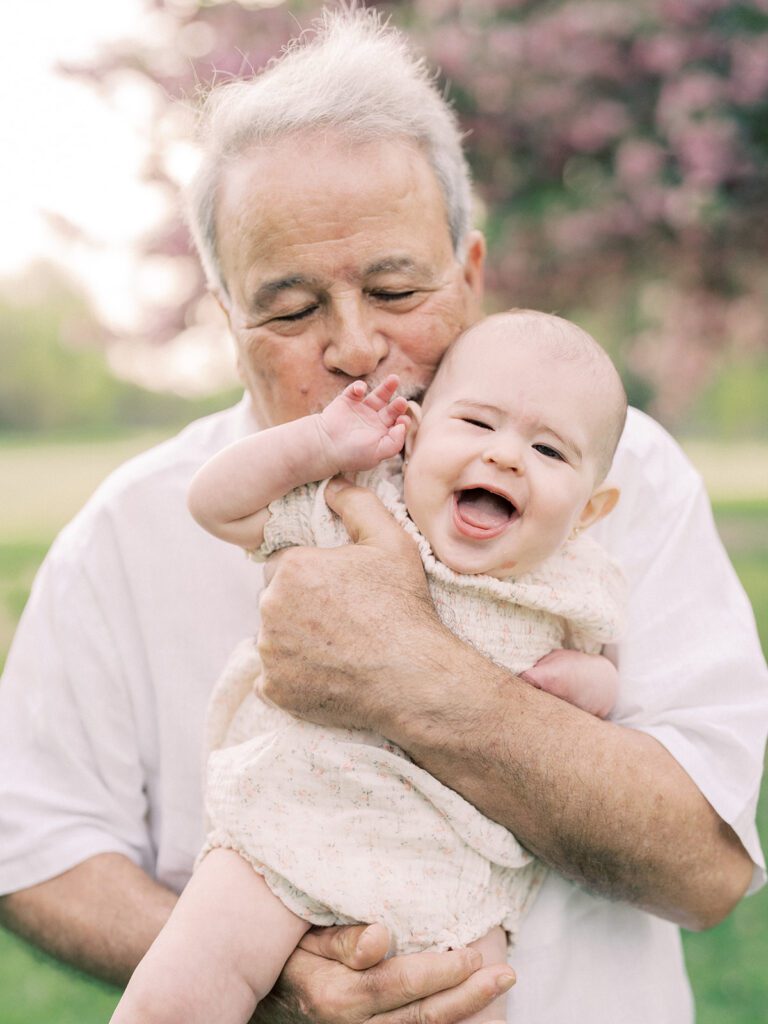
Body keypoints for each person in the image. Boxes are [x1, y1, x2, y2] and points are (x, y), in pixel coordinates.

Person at [0, 9, 766, 1024]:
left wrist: (414, 673)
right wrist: (269, 972)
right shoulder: (129, 529)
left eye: (396, 286)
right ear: (229, 323)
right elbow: (33, 846)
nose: (357, 345)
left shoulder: (620, 481)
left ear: (471, 274)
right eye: (290, 308)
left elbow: (706, 865)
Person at [112, 311, 627, 1024]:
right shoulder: (359, 509)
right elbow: (215, 506)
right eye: (477, 425)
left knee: (471, 1002)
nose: (506, 457)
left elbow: (603, 676)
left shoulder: (573, 586)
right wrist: (317, 444)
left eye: (549, 450)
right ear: (410, 439)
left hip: (452, 866)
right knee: (180, 993)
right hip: (292, 812)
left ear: (590, 512)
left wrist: (585, 685)